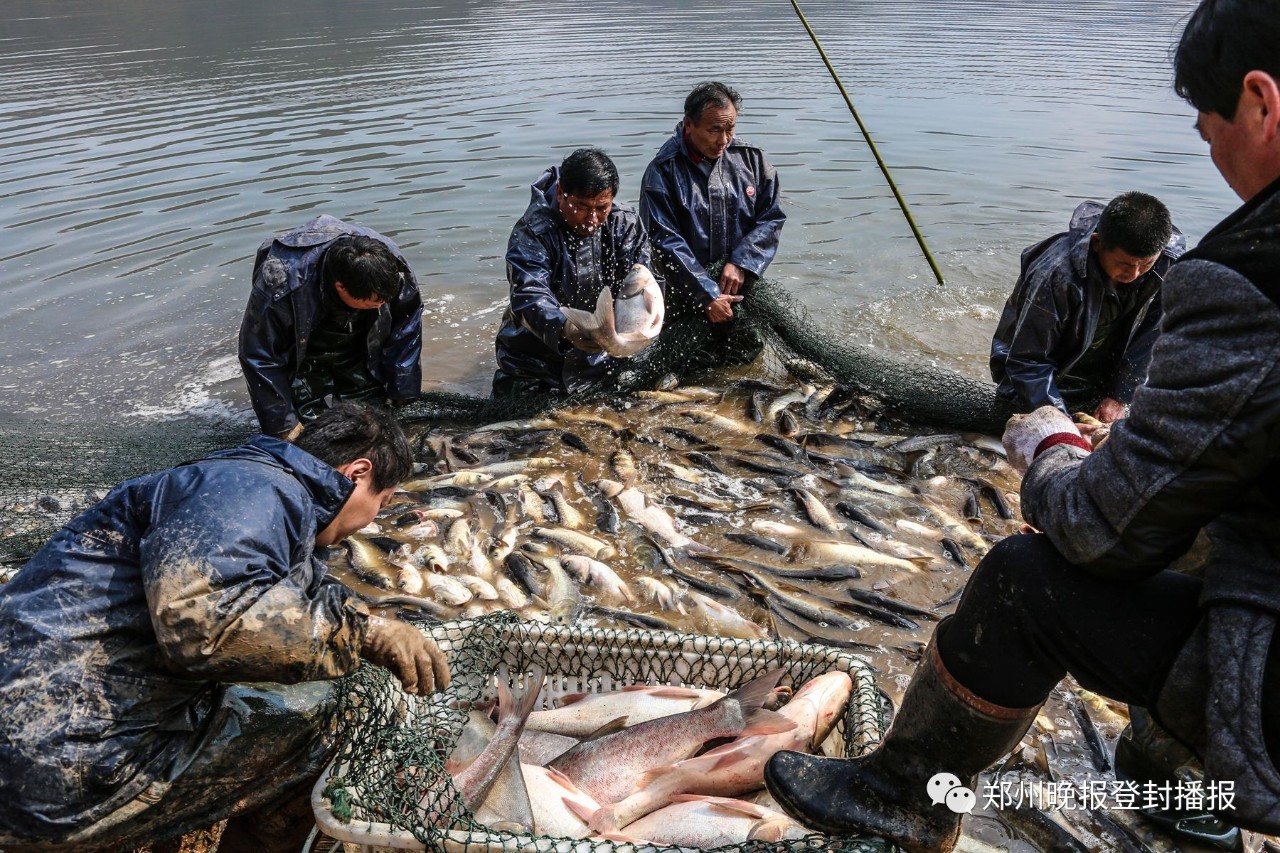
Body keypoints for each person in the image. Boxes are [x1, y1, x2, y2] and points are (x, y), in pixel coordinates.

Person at [765, 1, 1280, 851]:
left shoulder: (1243, 277)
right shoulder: (1060, 271)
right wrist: (1046, 406)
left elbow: (1100, 531)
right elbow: (1026, 364)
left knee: (1018, 579)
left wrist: (1051, 451)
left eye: (1206, 125)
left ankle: (910, 796)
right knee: (1200, 534)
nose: (1208, 147)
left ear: (1260, 103)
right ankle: (1179, 787)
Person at [0, 401, 450, 853]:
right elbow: (204, 627)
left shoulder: (242, 480)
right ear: (357, 473)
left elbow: (286, 588)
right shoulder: (255, 490)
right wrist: (363, 634)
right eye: (382, 501)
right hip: (47, 767)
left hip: (36, 722)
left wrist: (368, 618)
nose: (371, 519)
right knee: (329, 731)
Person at [990, 192, 1186, 423]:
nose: (1134, 274)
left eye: (1145, 264)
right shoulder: (1055, 275)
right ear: (1096, 243)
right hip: (1032, 378)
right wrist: (1060, 423)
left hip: (1099, 375)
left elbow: (1152, 338)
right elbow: (1028, 361)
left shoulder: (1167, 266)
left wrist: (1119, 397)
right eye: (1125, 265)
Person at [639, 81, 785, 367]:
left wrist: (741, 263)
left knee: (746, 363)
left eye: (730, 128)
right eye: (714, 130)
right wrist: (706, 294)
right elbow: (663, 240)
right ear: (688, 125)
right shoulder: (662, 171)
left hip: (740, 288)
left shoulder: (752, 160)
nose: (724, 140)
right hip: (686, 297)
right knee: (691, 368)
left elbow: (771, 217)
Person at [239, 214, 424, 440]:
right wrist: (282, 423)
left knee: (372, 415)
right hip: (304, 337)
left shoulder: (392, 266)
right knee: (309, 427)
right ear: (341, 288)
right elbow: (260, 355)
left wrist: (402, 387)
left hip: (360, 333)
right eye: (375, 302)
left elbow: (406, 326)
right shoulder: (281, 282)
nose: (382, 305)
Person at [493, 147, 654, 396]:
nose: (591, 218)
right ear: (560, 193)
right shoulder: (533, 232)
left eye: (602, 208)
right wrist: (565, 328)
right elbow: (529, 293)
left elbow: (641, 280)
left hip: (605, 355)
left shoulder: (625, 223)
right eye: (581, 206)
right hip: (537, 360)